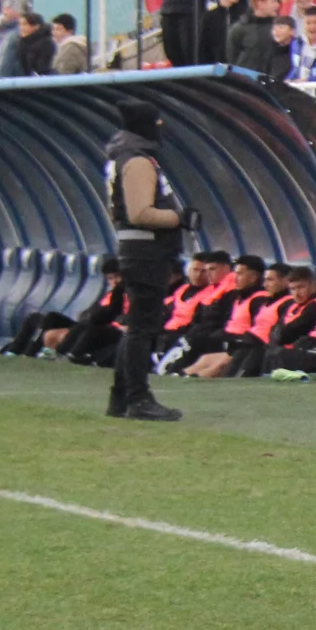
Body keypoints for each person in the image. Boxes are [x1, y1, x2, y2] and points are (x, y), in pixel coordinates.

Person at [104, 103, 190, 420]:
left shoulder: (121, 158)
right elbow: (140, 212)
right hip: (147, 252)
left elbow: (116, 211)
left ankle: (121, 396)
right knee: (142, 327)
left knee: (136, 326)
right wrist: (179, 218)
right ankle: (138, 398)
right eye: (156, 122)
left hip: (136, 250)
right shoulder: (138, 161)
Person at [226, 0, 290, 78]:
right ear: (260, 4)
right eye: (273, 1)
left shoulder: (281, 27)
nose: (277, 5)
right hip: (246, 82)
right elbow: (231, 57)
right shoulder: (240, 28)